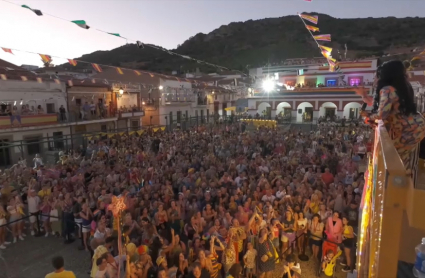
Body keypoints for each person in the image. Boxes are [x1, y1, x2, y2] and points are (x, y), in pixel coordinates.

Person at [361, 60, 425, 174]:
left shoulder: (387, 89)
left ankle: (401, 186)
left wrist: (369, 118)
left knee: (395, 159)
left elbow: (382, 113)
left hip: (408, 130)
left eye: (377, 76)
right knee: (402, 161)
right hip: (416, 126)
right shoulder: (403, 86)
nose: (376, 79)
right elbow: (389, 107)